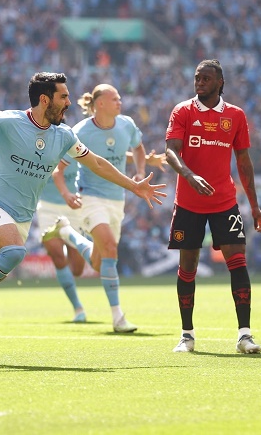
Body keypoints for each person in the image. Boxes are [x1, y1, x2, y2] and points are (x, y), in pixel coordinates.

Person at [0, 72, 167, 363]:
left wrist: (133, 185)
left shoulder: (64, 135)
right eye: (63, 97)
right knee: (14, 253)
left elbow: (95, 162)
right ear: (44, 99)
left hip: (20, 218)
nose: (69, 102)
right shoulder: (9, 122)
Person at [0, 148, 167, 323]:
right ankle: (78, 308)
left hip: (74, 205)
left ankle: (68, 234)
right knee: (56, 255)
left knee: (79, 267)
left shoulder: (66, 139)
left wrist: (146, 159)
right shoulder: (31, 141)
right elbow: (3, 156)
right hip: (48, 206)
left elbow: (103, 157)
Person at [163, 59, 261, 354]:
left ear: (220, 82)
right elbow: (170, 152)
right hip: (188, 203)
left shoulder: (235, 115)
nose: (200, 82)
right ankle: (187, 335)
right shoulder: (182, 111)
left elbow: (244, 163)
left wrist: (256, 207)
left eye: (206, 78)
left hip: (225, 202)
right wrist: (188, 175)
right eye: (197, 77)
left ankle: (245, 335)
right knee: (188, 267)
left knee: (237, 263)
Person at [42, 83, 162, 334]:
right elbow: (58, 170)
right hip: (90, 198)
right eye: (115, 98)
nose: (120, 102)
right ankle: (118, 317)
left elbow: (138, 147)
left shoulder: (127, 124)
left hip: (117, 200)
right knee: (110, 247)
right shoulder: (80, 132)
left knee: (101, 262)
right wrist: (66, 194)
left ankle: (67, 234)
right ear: (100, 104)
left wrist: (140, 171)